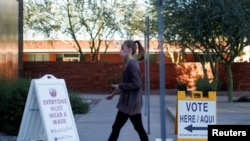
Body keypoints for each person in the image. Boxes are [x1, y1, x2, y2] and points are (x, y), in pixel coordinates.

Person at [106, 40, 149, 141]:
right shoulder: (130, 63)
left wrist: (120, 86)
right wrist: (113, 93)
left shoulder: (132, 64)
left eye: (122, 48)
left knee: (117, 127)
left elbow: (137, 83)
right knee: (137, 128)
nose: (120, 50)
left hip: (131, 103)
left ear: (129, 50)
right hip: (130, 102)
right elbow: (126, 83)